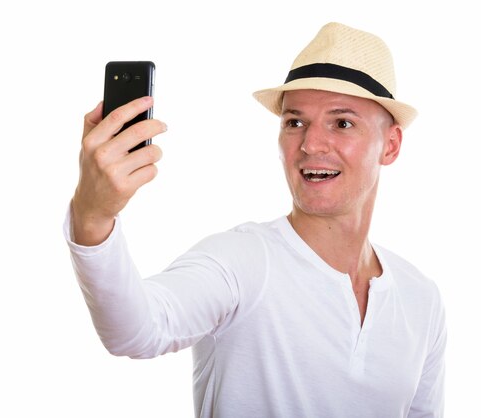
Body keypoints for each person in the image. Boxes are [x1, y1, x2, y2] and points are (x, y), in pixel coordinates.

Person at [64, 22, 446, 418]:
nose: (311, 144)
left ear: (391, 145)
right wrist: (93, 216)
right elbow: (136, 330)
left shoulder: (422, 299)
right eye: (295, 122)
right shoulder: (241, 261)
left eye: (342, 122)